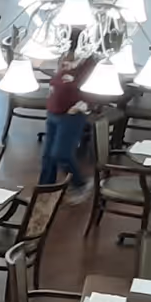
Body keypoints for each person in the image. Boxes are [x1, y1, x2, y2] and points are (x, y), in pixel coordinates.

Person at [41, 34, 99, 201]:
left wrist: (81, 105)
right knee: (48, 156)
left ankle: (80, 184)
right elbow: (58, 77)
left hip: (71, 115)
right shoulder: (64, 56)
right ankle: (46, 189)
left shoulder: (90, 63)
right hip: (54, 110)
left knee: (61, 154)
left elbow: (93, 89)